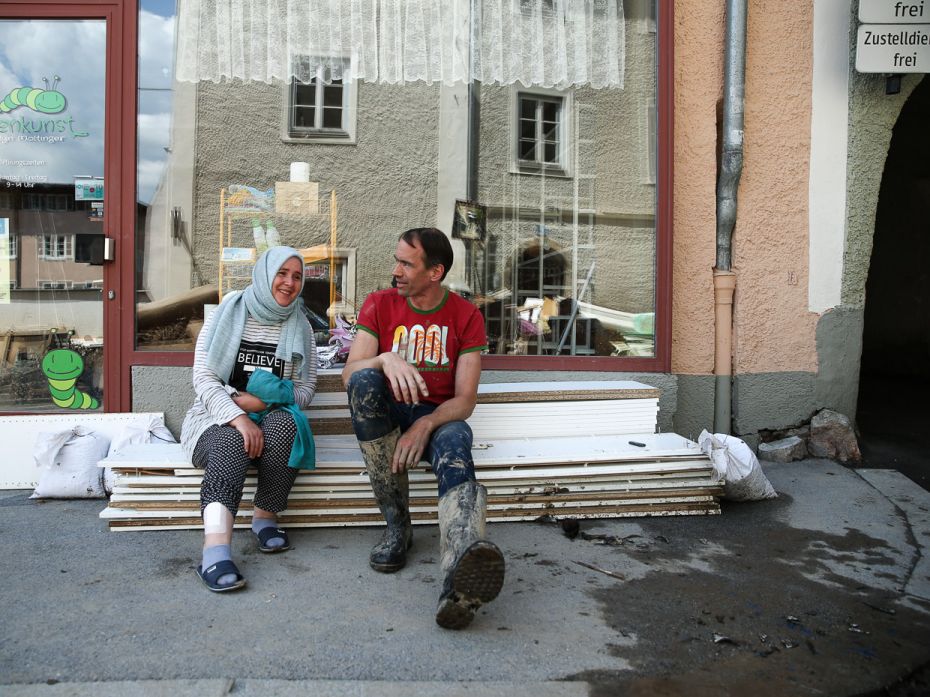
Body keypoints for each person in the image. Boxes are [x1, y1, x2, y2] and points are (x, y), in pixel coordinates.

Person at [342, 227, 505, 629]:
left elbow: (464, 401)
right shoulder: (379, 305)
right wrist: (383, 359)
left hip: (439, 417)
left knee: (453, 445)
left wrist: (427, 423)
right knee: (364, 383)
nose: (395, 270)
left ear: (435, 272)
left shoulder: (465, 316)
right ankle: (398, 529)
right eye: (396, 260)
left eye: (406, 263)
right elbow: (350, 372)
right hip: (388, 416)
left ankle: (460, 574)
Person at [181, 246, 317, 592]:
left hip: (269, 425)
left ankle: (264, 520)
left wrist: (262, 400)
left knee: (289, 423)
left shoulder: (300, 324)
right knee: (230, 439)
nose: (289, 283)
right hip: (214, 421)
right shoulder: (227, 313)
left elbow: (305, 387)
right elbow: (204, 378)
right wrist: (239, 417)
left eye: (297, 276)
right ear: (264, 274)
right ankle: (215, 551)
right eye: (281, 274)